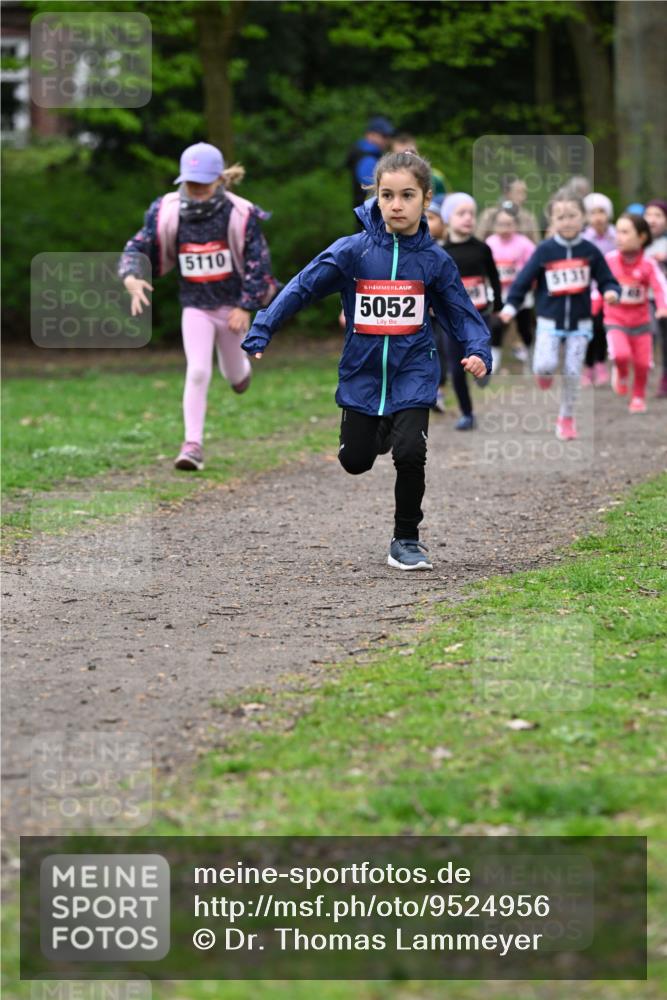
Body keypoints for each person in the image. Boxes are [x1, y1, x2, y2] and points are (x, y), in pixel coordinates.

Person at [241, 151, 491, 571]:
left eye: (407, 195)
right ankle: (382, 430)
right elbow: (302, 286)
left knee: (411, 453)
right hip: (363, 371)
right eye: (387, 195)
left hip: (414, 368)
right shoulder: (352, 252)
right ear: (375, 197)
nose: (396, 205)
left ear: (426, 199)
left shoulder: (434, 261)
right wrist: (264, 325)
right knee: (354, 461)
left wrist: (478, 350)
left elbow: (462, 312)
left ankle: (406, 539)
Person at [119, 142, 279, 471]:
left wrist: (246, 306)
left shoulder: (240, 213)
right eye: (191, 185)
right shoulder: (168, 210)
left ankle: (242, 373)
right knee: (198, 370)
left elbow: (257, 263)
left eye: (203, 185)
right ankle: (192, 445)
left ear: (219, 180)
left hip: (233, 307)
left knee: (234, 374)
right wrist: (132, 275)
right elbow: (140, 244)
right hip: (195, 306)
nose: (197, 191)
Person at [499, 193, 620, 441]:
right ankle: (542, 375)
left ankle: (566, 417)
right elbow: (523, 281)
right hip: (549, 322)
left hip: (580, 324)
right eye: (561, 217)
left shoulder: (590, 251)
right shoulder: (545, 250)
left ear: (583, 218)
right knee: (544, 365)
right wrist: (511, 305)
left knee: (573, 373)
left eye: (572, 216)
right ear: (552, 220)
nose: (567, 222)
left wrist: (611, 291)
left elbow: (607, 278)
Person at [443, 193, 502, 430]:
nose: (468, 218)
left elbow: (494, 277)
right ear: (448, 219)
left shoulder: (482, 249)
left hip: (479, 316)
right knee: (456, 369)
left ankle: (484, 367)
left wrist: (498, 302)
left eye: (471, 214)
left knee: (479, 354)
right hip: (452, 320)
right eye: (461, 213)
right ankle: (467, 413)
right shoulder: (441, 252)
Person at [603, 213, 667, 413]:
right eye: (618, 232)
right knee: (621, 354)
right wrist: (595, 304)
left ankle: (638, 396)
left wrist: (663, 306)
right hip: (615, 319)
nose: (618, 237)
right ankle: (621, 373)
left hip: (641, 322)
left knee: (642, 364)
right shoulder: (609, 260)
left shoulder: (648, 263)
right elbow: (598, 284)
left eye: (624, 232)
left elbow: (659, 286)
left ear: (641, 237)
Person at [485, 203, 536, 370]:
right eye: (501, 224)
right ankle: (494, 360)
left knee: (525, 328)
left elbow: (534, 267)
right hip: (497, 293)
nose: (505, 228)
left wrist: (522, 275)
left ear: (516, 225)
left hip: (521, 294)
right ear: (494, 226)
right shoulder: (489, 243)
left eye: (509, 224)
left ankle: (530, 357)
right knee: (496, 325)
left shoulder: (525, 244)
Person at [581, 193, 616, 387]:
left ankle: (601, 363)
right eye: (593, 212)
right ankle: (588, 366)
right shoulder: (584, 237)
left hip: (608, 290)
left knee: (603, 329)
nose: (598, 217)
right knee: (590, 328)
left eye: (601, 211)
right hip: (588, 290)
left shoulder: (615, 235)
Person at [425, 195, 447, 412]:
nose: (426, 222)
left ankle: (439, 389)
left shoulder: (448, 251)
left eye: (431, 218)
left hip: (441, 313)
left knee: (440, 348)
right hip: (418, 313)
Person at [643, 198, 667, 397]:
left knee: (665, 340)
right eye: (648, 215)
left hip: (665, 299)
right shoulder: (638, 242)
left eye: (657, 215)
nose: (652, 219)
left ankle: (665, 377)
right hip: (644, 298)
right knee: (646, 336)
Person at [346, 116, 395, 209]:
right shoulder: (367, 157)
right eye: (383, 136)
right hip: (369, 215)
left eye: (388, 136)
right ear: (370, 135)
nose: (387, 140)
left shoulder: (369, 153)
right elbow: (374, 185)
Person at [477, 176, 540, 244]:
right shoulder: (489, 215)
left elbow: (536, 245)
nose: (524, 197)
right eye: (519, 192)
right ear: (507, 193)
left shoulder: (528, 218)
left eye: (524, 192)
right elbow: (478, 241)